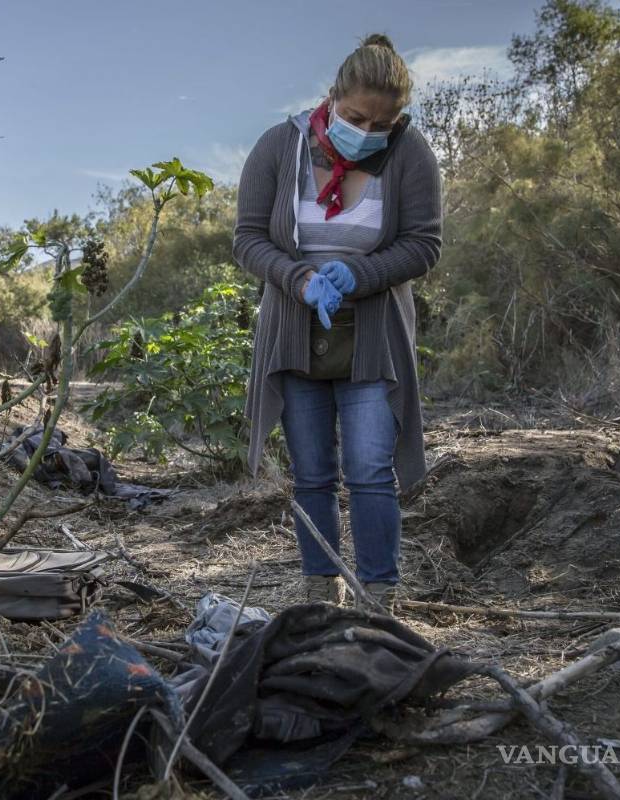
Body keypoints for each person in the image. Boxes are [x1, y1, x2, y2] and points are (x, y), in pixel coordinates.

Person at [232, 34, 443, 609]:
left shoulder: (410, 154)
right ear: (332, 97)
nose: (368, 132)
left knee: (371, 467)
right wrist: (299, 279)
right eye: (355, 117)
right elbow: (248, 238)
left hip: (372, 335)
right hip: (295, 332)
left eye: (383, 123)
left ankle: (380, 596)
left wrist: (359, 274)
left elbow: (424, 246)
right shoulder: (279, 147)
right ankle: (320, 591)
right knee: (313, 471)